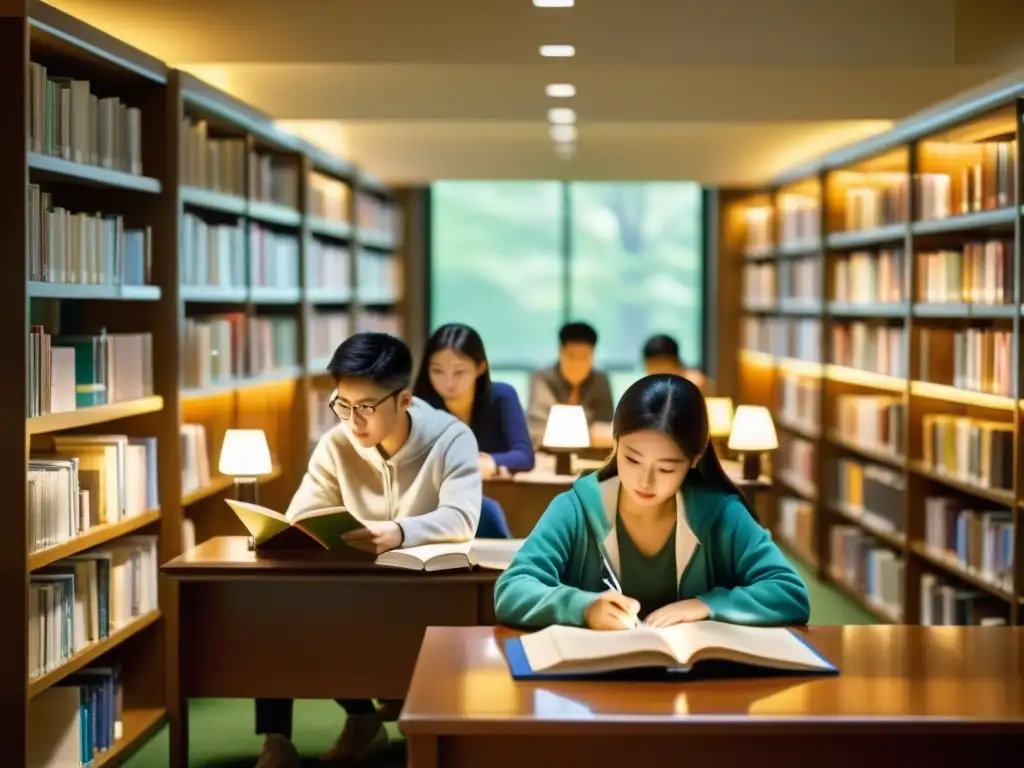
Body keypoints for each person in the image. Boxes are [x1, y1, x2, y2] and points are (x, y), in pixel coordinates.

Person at [255, 332, 482, 768]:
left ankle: (367, 720)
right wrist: (286, 532)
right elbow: (302, 512)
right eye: (343, 404)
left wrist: (398, 531)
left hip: (426, 591)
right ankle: (280, 738)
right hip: (355, 589)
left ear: (405, 400)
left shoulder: (453, 439)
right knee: (275, 601)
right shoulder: (336, 443)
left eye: (367, 408)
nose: (353, 421)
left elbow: (461, 518)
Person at [494, 374, 809, 631]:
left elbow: (789, 592)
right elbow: (513, 588)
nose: (645, 481)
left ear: (694, 460)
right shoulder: (575, 508)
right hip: (593, 691)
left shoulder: (721, 512)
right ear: (615, 443)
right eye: (631, 459)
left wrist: (707, 605)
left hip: (699, 691)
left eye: (666, 468)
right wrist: (583, 607)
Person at [413, 323, 534, 538]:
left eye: (459, 372)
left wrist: (492, 462)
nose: (448, 382)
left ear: (480, 367)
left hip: (501, 500)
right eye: (437, 371)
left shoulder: (502, 396)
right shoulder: (421, 405)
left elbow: (524, 455)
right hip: (438, 507)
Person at [526, 321, 614, 445]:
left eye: (584, 357)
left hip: (590, 457)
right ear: (560, 352)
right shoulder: (542, 379)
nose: (578, 364)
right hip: (549, 455)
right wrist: (586, 434)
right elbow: (538, 429)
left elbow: (605, 428)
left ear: (593, 354)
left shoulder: (600, 380)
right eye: (572, 356)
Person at [642, 334, 707, 390]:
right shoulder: (643, 385)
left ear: (675, 362)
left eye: (661, 364)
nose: (657, 371)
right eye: (653, 366)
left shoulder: (695, 382)